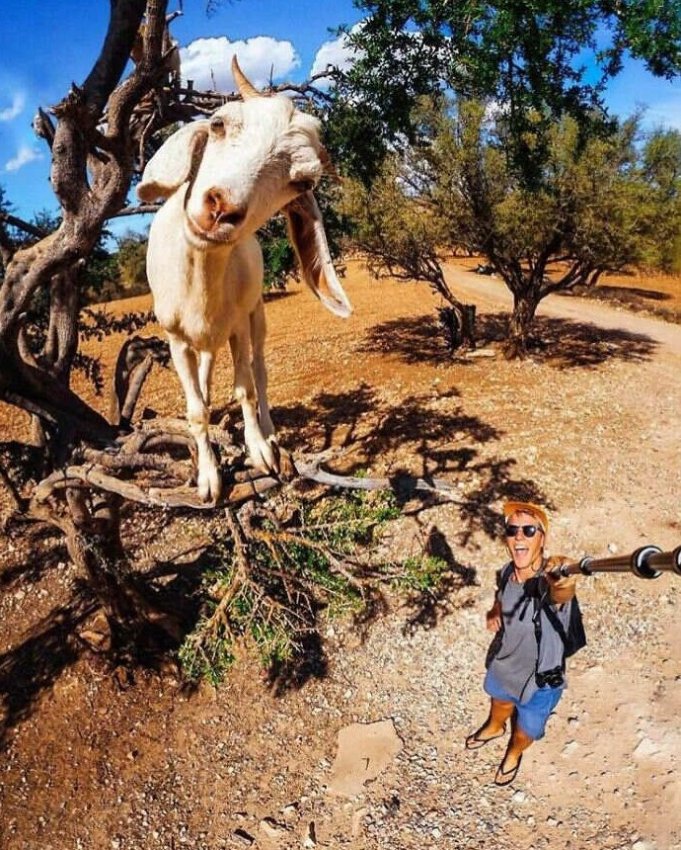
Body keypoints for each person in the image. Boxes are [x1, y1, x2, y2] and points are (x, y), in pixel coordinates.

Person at [465, 500, 578, 786]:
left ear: (543, 539)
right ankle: (495, 727)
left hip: (542, 682)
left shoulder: (549, 583)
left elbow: (561, 594)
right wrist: (495, 610)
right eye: (512, 530)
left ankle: (514, 753)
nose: (519, 536)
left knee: (526, 730)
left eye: (529, 530)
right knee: (499, 700)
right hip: (507, 663)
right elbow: (502, 592)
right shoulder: (507, 571)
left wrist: (564, 578)